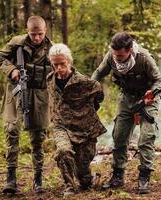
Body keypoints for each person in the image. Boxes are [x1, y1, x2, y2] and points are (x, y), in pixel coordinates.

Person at [91, 31, 161, 194]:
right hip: (127, 98)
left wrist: (152, 93)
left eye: (120, 56)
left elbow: (158, 80)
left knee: (145, 138)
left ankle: (144, 177)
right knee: (119, 137)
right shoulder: (111, 56)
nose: (117, 58)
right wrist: (91, 88)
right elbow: (98, 73)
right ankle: (117, 176)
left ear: (130, 50)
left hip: (147, 99)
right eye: (115, 55)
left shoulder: (144, 58)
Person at [0, 16, 52, 194]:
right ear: (28, 31)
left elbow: (61, 68)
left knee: (38, 138)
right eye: (33, 34)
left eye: (40, 34)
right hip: (16, 92)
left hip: (40, 96)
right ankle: (11, 179)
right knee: (11, 131)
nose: (36, 38)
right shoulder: (16, 43)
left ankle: (38, 179)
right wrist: (12, 70)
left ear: (45, 31)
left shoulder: (52, 48)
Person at [47, 43, 107, 197]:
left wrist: (87, 109)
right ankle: (69, 186)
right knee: (63, 151)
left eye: (62, 64)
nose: (59, 68)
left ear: (69, 61)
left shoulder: (84, 82)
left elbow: (99, 94)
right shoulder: (50, 79)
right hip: (61, 126)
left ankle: (87, 179)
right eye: (55, 64)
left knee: (85, 179)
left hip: (83, 129)